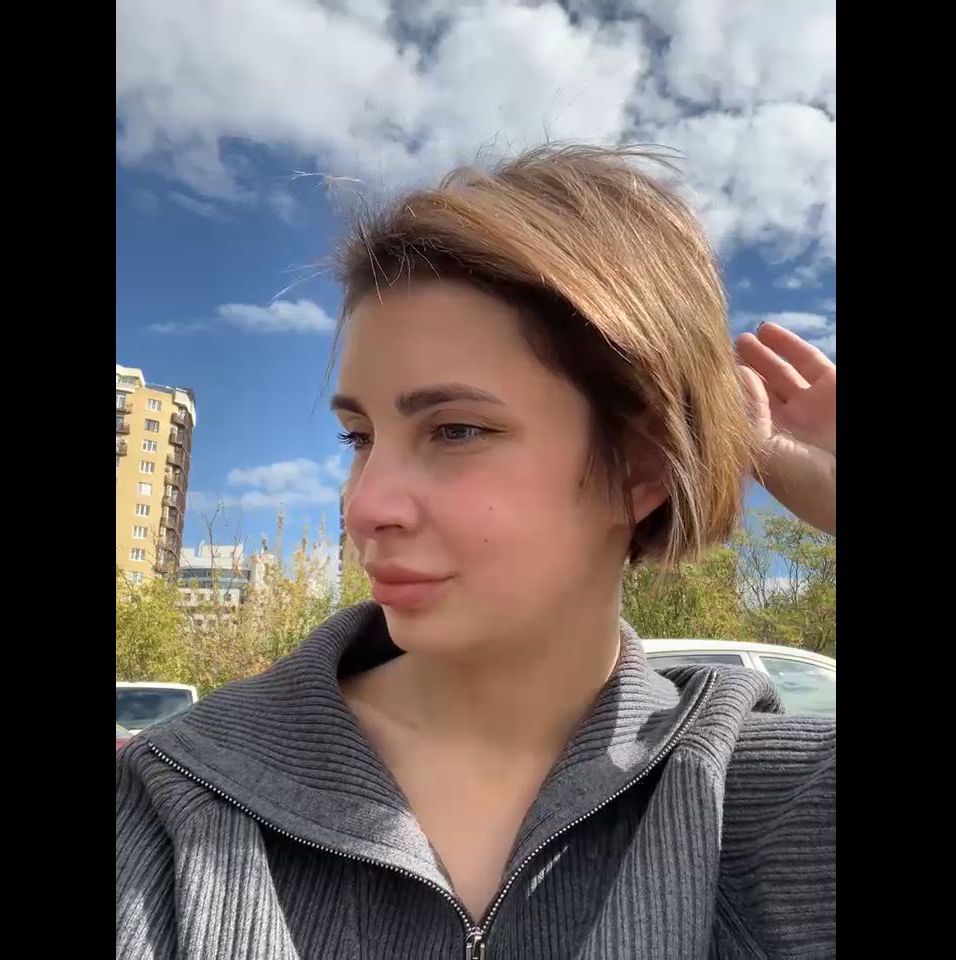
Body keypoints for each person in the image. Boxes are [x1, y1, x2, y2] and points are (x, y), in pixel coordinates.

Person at [117, 145, 835, 959]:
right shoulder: (172, 803)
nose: (365, 506)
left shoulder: (771, 806)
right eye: (359, 437)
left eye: (456, 430)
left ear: (642, 468)